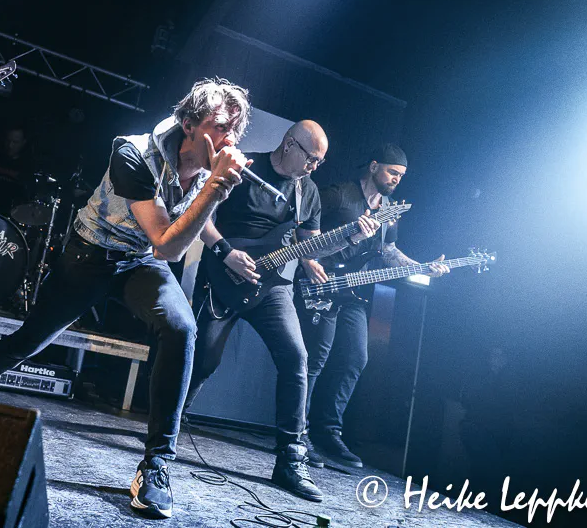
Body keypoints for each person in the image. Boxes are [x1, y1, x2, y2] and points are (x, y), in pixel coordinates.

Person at [0, 78, 252, 519]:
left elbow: (188, 223)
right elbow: (168, 244)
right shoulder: (133, 153)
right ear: (189, 123)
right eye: (221, 125)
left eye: (236, 130)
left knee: (181, 327)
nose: (230, 139)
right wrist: (216, 187)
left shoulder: (209, 169)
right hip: (90, 256)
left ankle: (157, 464)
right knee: (32, 338)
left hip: (138, 262)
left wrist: (216, 206)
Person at [185, 120, 381, 502]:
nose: (314, 167)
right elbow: (200, 214)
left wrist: (352, 236)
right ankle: (172, 418)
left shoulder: (308, 192)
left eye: (320, 162)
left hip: (272, 287)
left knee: (296, 357)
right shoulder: (244, 167)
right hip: (225, 275)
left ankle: (291, 458)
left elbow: (310, 247)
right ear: (289, 144)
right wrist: (226, 252)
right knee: (204, 360)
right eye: (311, 158)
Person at [299, 143, 448, 468]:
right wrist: (308, 261)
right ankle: (297, 432)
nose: (396, 179)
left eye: (401, 176)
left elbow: (388, 252)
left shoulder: (389, 211)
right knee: (316, 359)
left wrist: (422, 267)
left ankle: (328, 432)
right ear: (374, 166)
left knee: (356, 358)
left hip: (352, 292)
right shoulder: (340, 195)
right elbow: (301, 224)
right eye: (393, 172)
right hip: (320, 284)